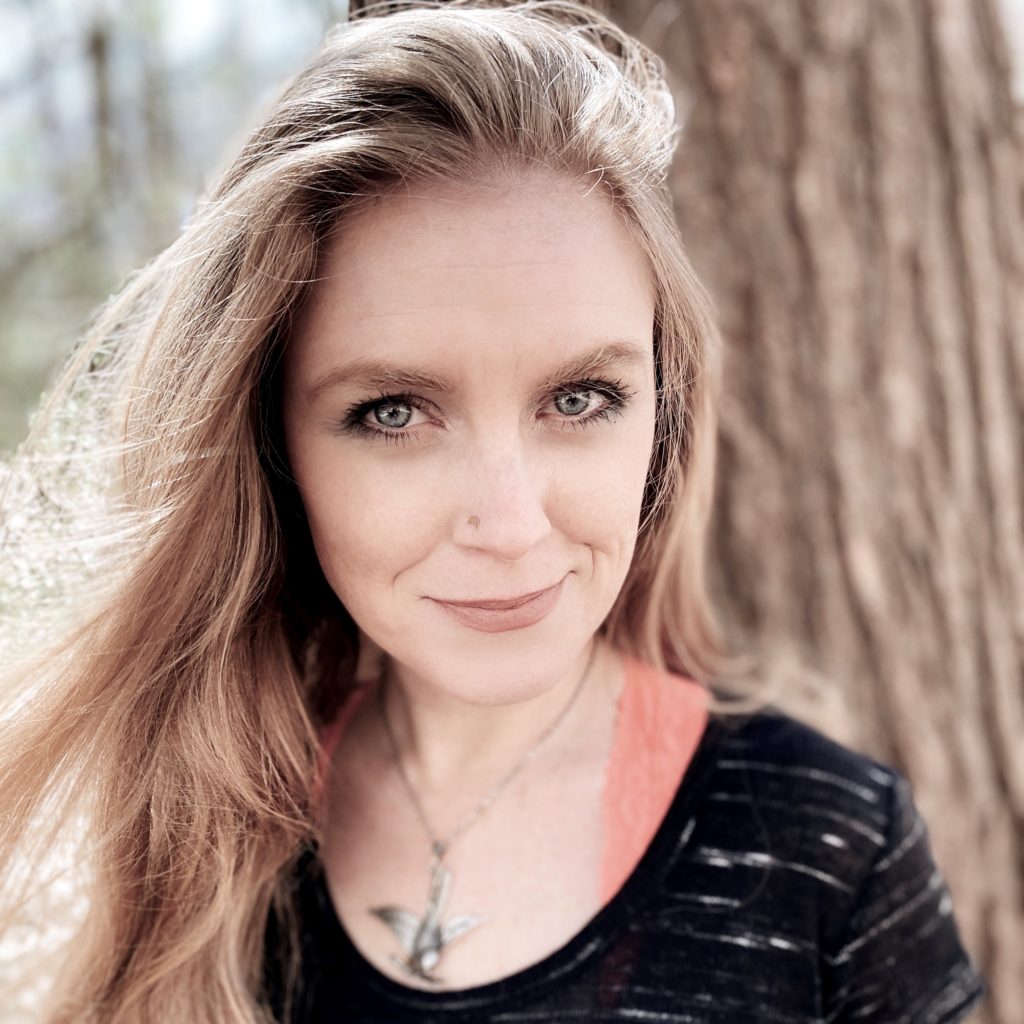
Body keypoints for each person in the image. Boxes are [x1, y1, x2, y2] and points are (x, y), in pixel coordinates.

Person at [0, 1, 987, 1022]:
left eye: (578, 399)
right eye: (393, 412)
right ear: (271, 446)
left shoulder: (825, 850)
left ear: (662, 410)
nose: (511, 524)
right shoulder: (188, 846)